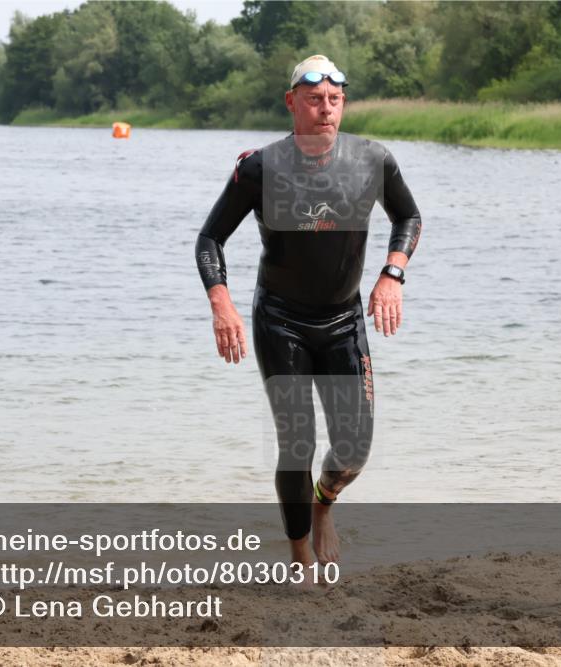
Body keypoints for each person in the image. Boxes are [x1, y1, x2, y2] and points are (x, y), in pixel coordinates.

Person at [194, 55, 422, 569]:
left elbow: (408, 215)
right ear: (292, 102)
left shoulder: (372, 160)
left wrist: (392, 274)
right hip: (280, 319)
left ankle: (324, 505)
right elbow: (210, 238)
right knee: (296, 442)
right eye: (315, 99)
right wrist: (221, 302)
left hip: (344, 320)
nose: (326, 109)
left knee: (355, 450)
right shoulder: (260, 167)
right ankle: (299, 556)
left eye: (335, 100)